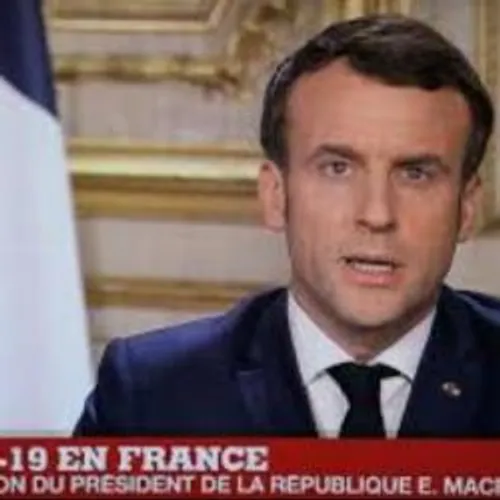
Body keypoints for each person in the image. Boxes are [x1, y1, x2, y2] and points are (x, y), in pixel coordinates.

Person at [74, 14, 500, 437]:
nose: (377, 214)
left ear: (466, 207)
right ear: (276, 196)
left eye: (416, 174)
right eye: (337, 168)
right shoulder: (152, 395)